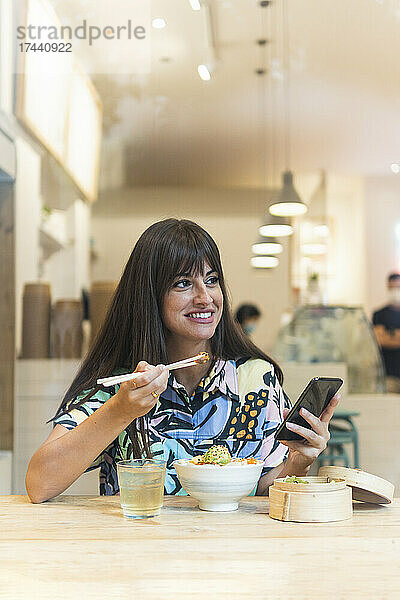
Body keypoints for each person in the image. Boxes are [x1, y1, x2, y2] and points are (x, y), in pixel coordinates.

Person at [26, 219, 338, 503]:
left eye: (212, 279)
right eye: (183, 283)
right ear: (150, 295)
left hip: (233, 554)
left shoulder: (254, 378)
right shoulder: (125, 384)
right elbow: (39, 484)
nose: (206, 297)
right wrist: (120, 411)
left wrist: (299, 461)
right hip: (139, 551)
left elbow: (263, 490)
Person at [373, 272, 400, 393]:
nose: (395, 291)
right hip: (389, 375)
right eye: (392, 287)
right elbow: (379, 339)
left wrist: (391, 335)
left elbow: (385, 338)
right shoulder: (379, 314)